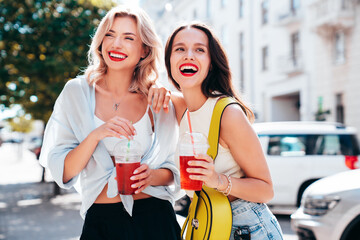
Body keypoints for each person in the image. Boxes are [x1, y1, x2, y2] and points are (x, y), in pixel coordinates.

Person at [39, 5, 181, 240]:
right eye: (110, 34)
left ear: (144, 49)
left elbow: (173, 169)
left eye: (128, 37)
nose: (116, 44)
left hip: (156, 219)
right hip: (102, 220)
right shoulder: (76, 92)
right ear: (100, 41)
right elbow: (63, 172)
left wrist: (151, 176)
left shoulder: (156, 98)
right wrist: (96, 135)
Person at [164, 22, 284, 240]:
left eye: (200, 50)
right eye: (179, 49)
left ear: (211, 63)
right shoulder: (182, 108)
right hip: (207, 224)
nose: (188, 55)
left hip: (245, 228)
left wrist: (216, 179)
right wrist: (155, 88)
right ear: (169, 61)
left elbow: (266, 190)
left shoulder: (228, 114)